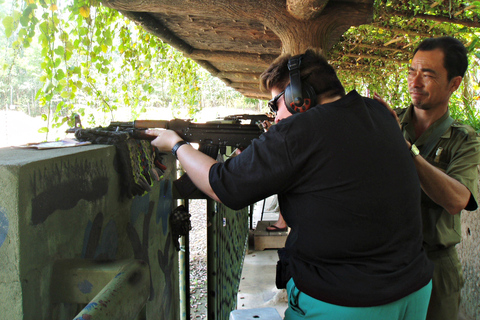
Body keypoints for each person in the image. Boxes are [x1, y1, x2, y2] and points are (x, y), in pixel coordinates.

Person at [148, 49, 433, 319]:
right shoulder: (378, 113)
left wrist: (176, 144)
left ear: (300, 96)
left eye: (276, 103)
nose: (276, 115)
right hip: (413, 289)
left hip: (346, 300)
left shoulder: (299, 131)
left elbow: (222, 185)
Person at [375, 36, 480, 320]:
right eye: (412, 72)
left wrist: (405, 149)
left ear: (454, 84)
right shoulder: (387, 121)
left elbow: (458, 200)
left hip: (436, 265)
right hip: (385, 260)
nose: (415, 82)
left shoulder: (465, 139)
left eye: (428, 75)